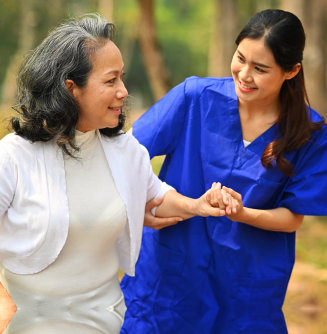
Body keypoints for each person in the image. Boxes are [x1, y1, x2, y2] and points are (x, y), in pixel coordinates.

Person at [0, 14, 237, 334]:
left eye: (122, 79)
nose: (124, 91)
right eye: (111, 81)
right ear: (72, 89)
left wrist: (197, 205)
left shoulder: (125, 150)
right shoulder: (15, 155)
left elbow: (154, 195)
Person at [121, 9, 327, 334]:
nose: (244, 74)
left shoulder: (308, 133)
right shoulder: (194, 98)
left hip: (247, 286)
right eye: (240, 58)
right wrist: (146, 204)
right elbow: (127, 154)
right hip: (170, 275)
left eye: (260, 69)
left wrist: (244, 214)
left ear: (291, 71)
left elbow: (292, 218)